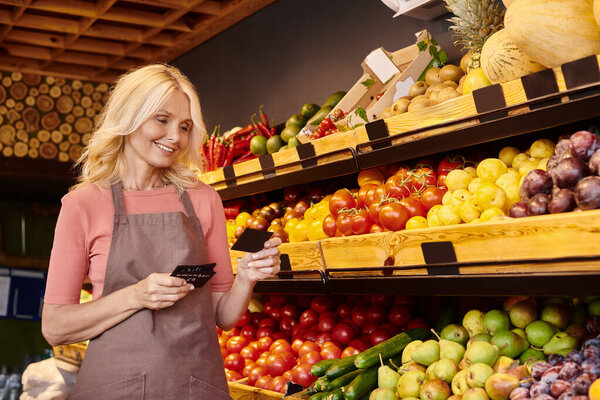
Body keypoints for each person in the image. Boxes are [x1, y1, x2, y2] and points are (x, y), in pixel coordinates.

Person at [41, 64, 281, 399]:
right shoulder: (83, 205)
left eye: (184, 126)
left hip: (195, 387)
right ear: (129, 117)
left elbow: (223, 316)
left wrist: (247, 277)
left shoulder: (203, 199)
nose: (176, 137)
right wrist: (137, 296)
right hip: (113, 389)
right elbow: (54, 327)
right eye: (162, 120)